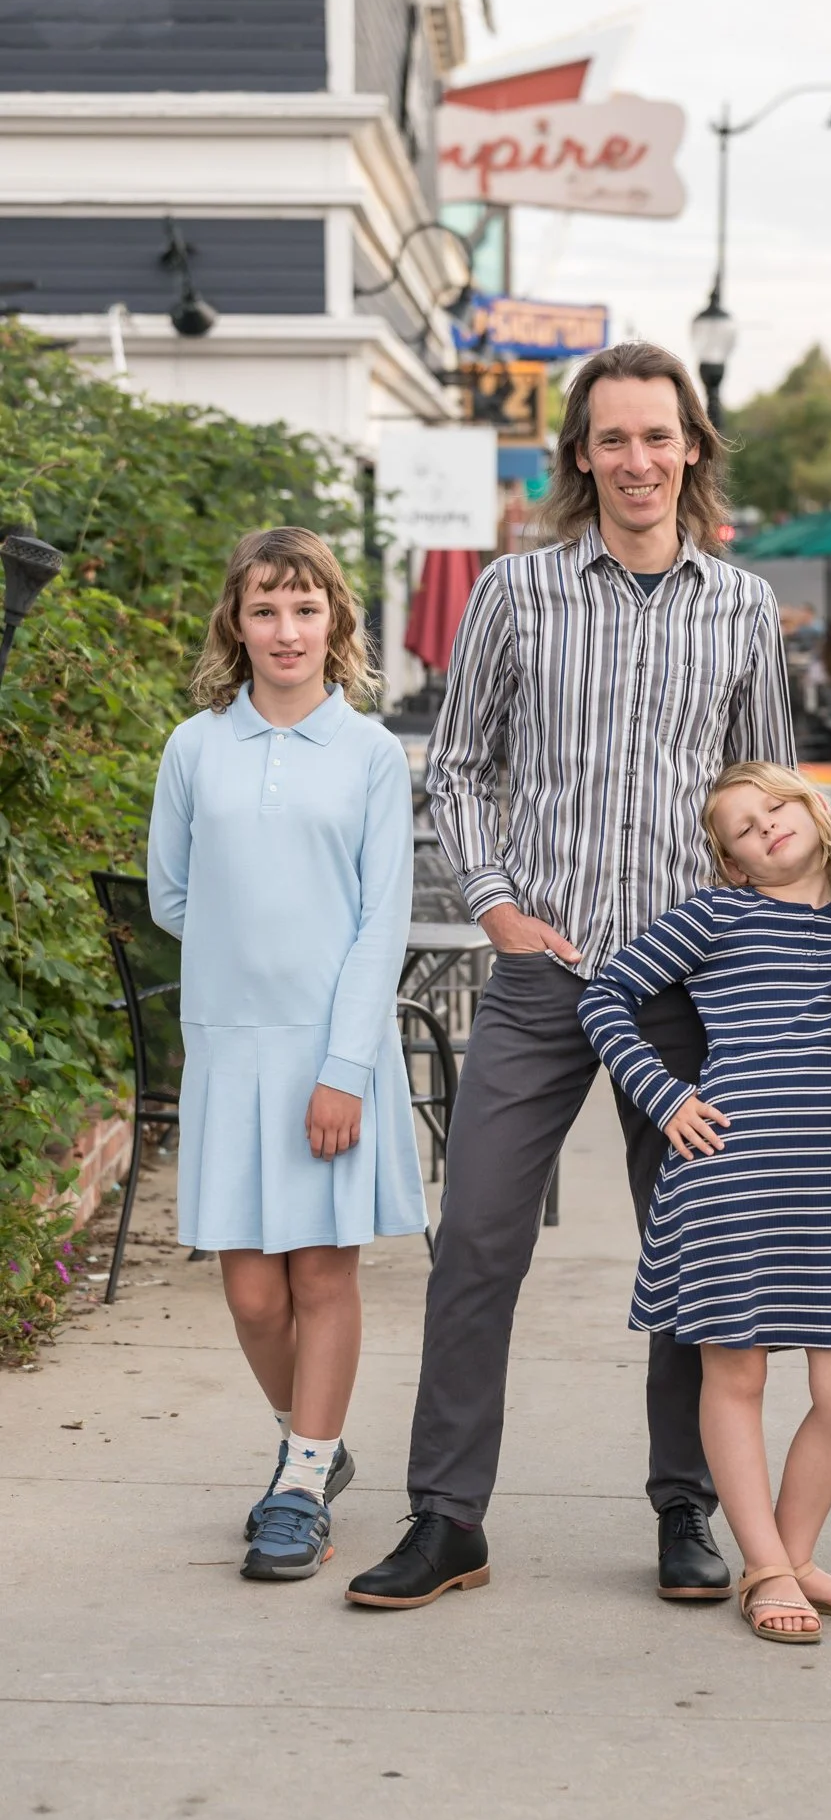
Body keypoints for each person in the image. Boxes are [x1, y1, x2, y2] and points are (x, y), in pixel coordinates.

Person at [346, 343, 795, 1613]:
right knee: (477, 1238)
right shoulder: (517, 593)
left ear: (692, 448)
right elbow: (459, 766)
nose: (638, 461)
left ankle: (683, 1510)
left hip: (685, 984)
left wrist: (757, 944)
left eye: (659, 437)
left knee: (691, 1250)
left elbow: (763, 802)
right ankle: (448, 1518)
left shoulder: (742, 608)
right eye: (613, 440)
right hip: (547, 972)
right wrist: (492, 902)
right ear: (580, 457)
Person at [148, 527, 426, 1582]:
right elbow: (172, 892)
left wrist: (343, 1067)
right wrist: (243, 966)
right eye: (265, 608)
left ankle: (299, 1485)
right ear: (236, 622)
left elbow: (379, 920)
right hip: (229, 1049)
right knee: (252, 1293)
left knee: (320, 1275)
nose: (286, 629)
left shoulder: (367, 756)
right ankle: (315, 1441)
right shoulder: (193, 748)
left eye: (305, 608)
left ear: (336, 623)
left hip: (329, 1052)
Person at [577, 763, 831, 1645]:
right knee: (738, 1373)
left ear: (814, 809)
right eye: (743, 829)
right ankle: (767, 1568)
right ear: (733, 863)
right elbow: (606, 998)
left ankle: (787, 1559)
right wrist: (666, 1097)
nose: (767, 829)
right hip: (731, 1174)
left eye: (777, 806)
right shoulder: (717, 917)